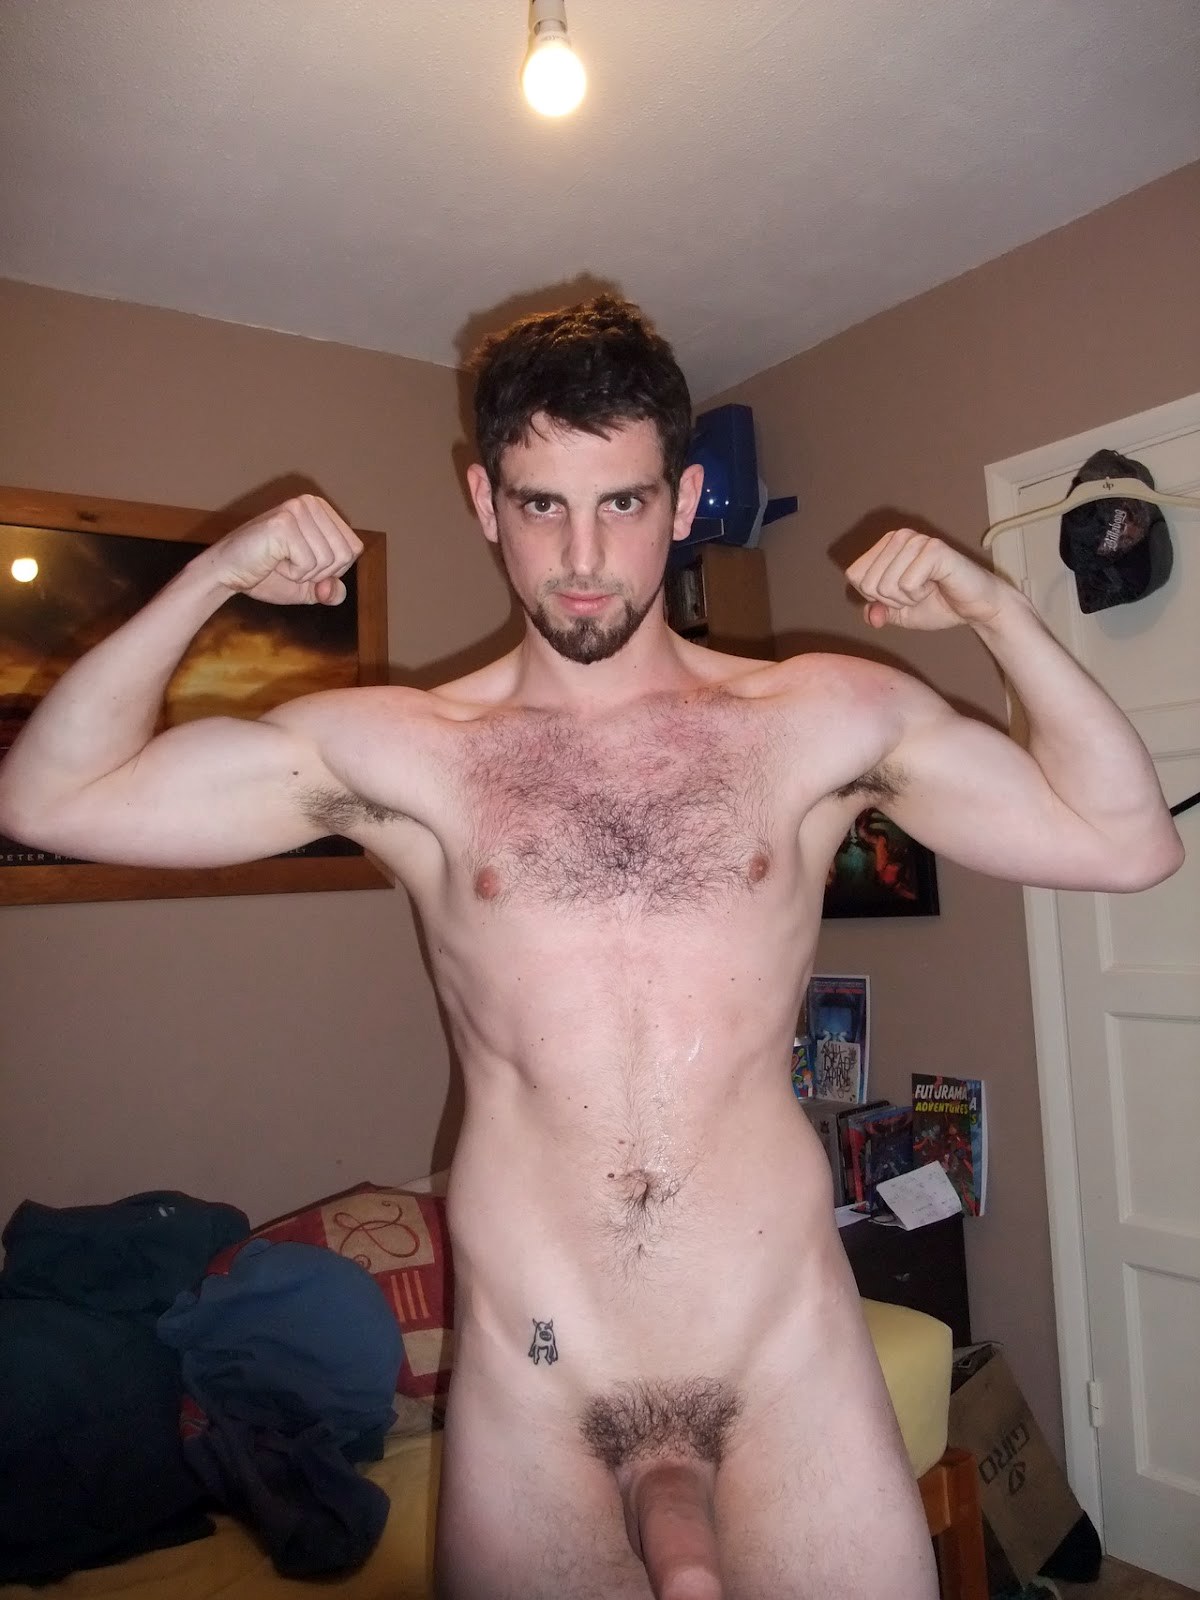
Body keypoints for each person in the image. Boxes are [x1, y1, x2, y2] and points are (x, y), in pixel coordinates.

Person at [0, 295, 1182, 1600]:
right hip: (540, 1379)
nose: (581, 555)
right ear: (484, 502)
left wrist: (998, 609)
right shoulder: (408, 752)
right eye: (541, 504)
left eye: (622, 502)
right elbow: (53, 800)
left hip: (781, 1357)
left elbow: (1124, 840)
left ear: (683, 503)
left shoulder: (813, 719)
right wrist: (215, 574)